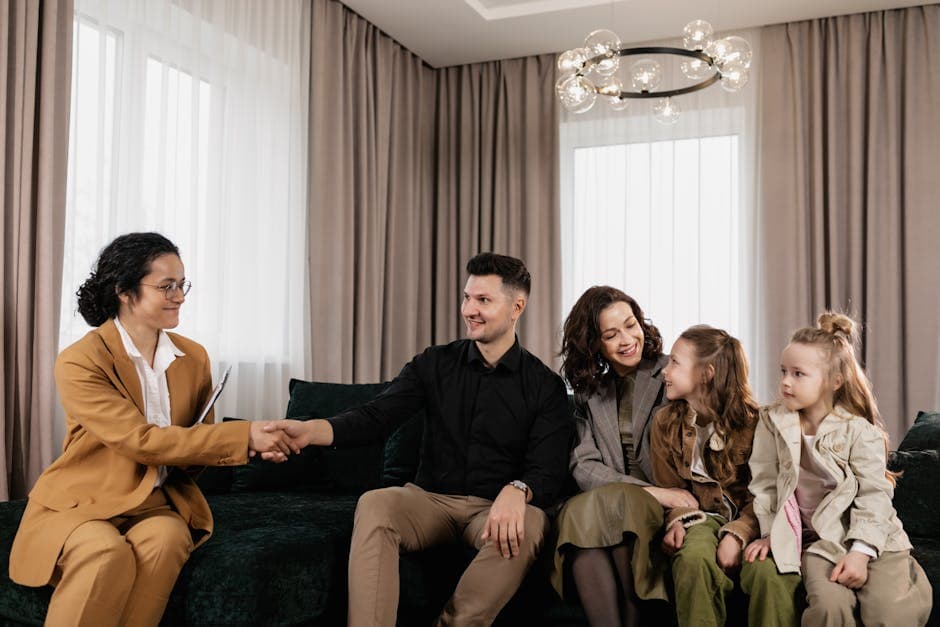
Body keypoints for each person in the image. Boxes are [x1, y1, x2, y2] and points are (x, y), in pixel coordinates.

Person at [264, 252, 574, 627]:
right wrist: (309, 430)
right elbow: (375, 416)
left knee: (531, 523)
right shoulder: (434, 363)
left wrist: (519, 489)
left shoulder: (545, 386)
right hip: (429, 500)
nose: (469, 310)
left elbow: (549, 467)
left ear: (516, 306)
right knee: (377, 504)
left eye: (483, 300)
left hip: (492, 508)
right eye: (466, 297)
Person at [9, 232, 296, 627]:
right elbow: (140, 441)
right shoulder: (80, 360)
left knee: (168, 539)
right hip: (86, 500)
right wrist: (243, 435)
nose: (179, 296)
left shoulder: (193, 357)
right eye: (166, 286)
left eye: (182, 284)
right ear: (125, 291)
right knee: (104, 552)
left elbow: (195, 446)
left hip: (157, 502)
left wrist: (254, 447)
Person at [743, 312, 933, 626]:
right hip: (823, 544)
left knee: (888, 612)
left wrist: (860, 551)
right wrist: (770, 533)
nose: (785, 382)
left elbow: (874, 495)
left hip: (874, 539)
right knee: (828, 608)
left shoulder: (859, 431)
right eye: (783, 372)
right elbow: (764, 483)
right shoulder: (771, 420)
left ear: (834, 381)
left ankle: (907, 580)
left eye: (799, 374)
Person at [551, 286, 696, 627]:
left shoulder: (670, 373)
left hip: (653, 504)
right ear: (594, 344)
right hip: (625, 496)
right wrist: (652, 492)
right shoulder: (589, 392)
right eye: (611, 335)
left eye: (631, 325)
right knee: (581, 520)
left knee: (611, 516)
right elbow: (583, 466)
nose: (628, 339)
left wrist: (657, 495)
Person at [650, 325, 771, 627]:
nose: (665, 370)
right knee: (692, 559)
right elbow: (670, 490)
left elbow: (768, 496)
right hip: (702, 517)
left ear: (707, 373)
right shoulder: (665, 422)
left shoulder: (757, 424)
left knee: (764, 572)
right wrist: (677, 520)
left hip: (751, 518)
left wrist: (737, 533)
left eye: (675, 362)